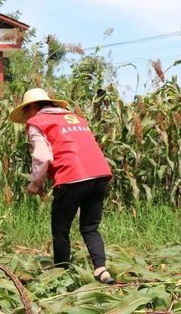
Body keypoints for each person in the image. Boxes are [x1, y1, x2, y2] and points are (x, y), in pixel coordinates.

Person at [9, 88, 115, 285]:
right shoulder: (75, 118)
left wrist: (34, 184)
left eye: (26, 112)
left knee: (60, 229)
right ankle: (101, 270)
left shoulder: (37, 122)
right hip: (100, 173)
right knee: (90, 227)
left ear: (32, 107)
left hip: (72, 176)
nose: (26, 117)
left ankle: (61, 273)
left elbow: (42, 156)